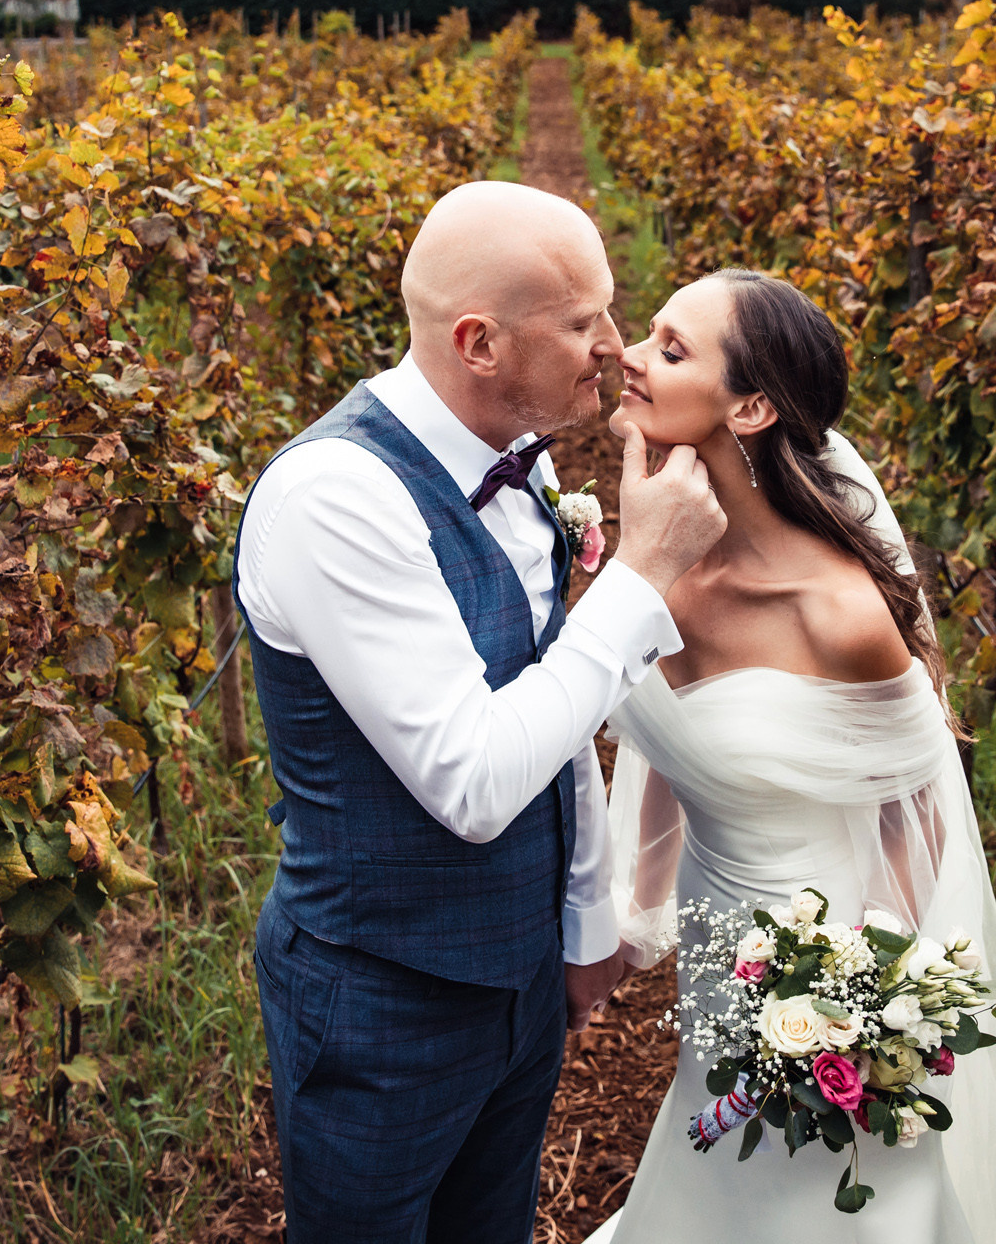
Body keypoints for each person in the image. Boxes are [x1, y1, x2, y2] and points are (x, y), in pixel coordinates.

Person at [234, 182, 727, 1244]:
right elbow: (475, 780)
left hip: (520, 985)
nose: (615, 344)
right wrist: (639, 578)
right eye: (584, 320)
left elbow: (553, 708)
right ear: (479, 343)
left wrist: (582, 925)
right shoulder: (336, 498)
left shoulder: (509, 460)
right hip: (382, 1008)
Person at [585, 269, 996, 1243]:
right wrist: (633, 917)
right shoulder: (659, 560)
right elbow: (676, 747)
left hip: (818, 965)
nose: (630, 354)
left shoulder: (840, 616)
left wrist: (866, 1005)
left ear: (749, 408)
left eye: (671, 348)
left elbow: (918, 815)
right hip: (714, 952)